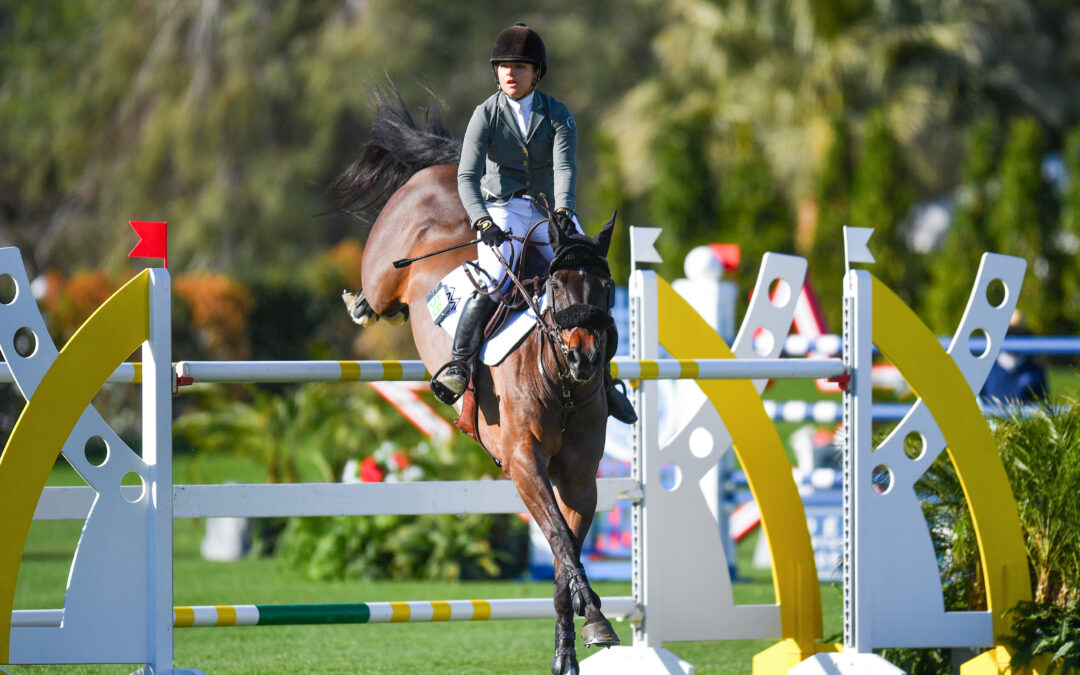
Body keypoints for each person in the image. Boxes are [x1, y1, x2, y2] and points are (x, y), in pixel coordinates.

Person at [429, 22, 637, 424]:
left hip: (546, 209)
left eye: (520, 67)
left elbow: (565, 167)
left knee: (583, 277)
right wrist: (482, 221)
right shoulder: (484, 114)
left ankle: (607, 382)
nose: (510, 73)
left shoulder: (558, 115)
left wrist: (563, 210)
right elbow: (466, 178)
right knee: (492, 277)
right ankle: (458, 365)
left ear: (536, 73)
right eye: (504, 66)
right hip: (501, 208)